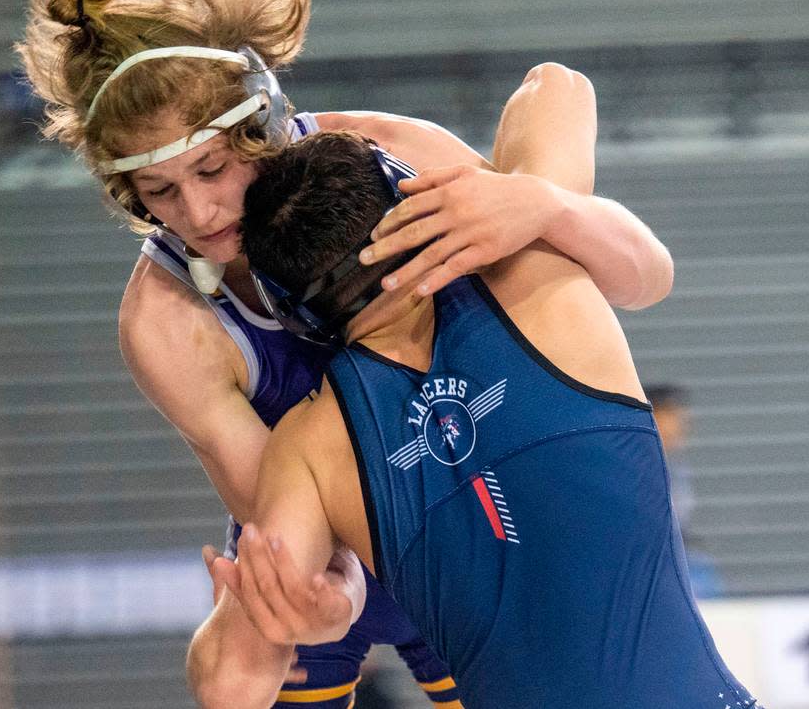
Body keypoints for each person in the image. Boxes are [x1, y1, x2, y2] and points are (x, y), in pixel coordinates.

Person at [17, 0, 674, 706]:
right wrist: (338, 599)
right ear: (130, 196)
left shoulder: (392, 158)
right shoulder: (165, 322)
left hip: (463, 509)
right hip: (328, 537)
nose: (199, 215)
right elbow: (284, 514)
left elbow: (622, 261)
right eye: (160, 191)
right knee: (231, 677)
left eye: (212, 168)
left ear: (260, 119)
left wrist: (542, 203)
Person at [195, 128, 759, 708]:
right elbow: (557, 85)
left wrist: (311, 619)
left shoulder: (310, 446)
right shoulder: (539, 281)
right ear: (412, 208)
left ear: (288, 308)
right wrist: (533, 197)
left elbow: (228, 686)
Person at [649, 383, 725, 598]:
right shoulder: (643, 467)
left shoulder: (675, 465)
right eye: (674, 417)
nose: (682, 426)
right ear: (656, 418)